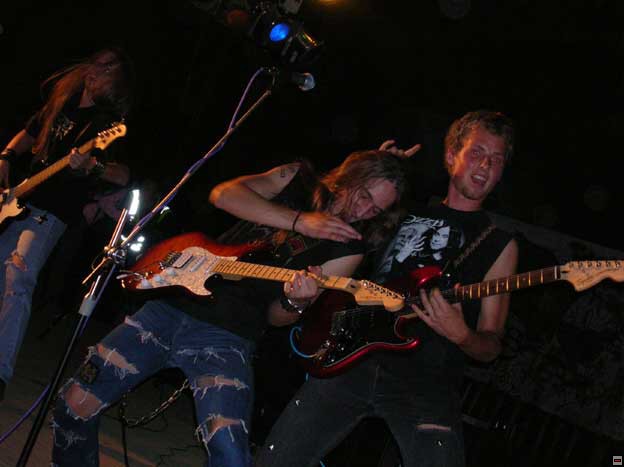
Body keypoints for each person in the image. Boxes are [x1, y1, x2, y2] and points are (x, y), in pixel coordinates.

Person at [50, 149, 408, 466]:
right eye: (364, 196)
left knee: (230, 455)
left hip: (228, 336)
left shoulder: (349, 249)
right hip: (171, 306)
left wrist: (295, 301)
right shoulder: (297, 177)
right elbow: (223, 195)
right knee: (73, 405)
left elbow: (277, 318)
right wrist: (300, 221)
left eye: (375, 210)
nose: (363, 211)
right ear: (350, 176)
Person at [255, 110, 519, 467]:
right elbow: (341, 204)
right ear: (450, 156)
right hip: (351, 359)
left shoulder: (498, 243)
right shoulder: (398, 213)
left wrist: (463, 336)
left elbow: (491, 345)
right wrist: (376, 165)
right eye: (477, 152)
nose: (485, 164)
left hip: (428, 383)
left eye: (496, 159)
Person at [0, 47, 134, 401]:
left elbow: (122, 175)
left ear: (116, 80)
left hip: (50, 213)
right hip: (17, 199)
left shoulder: (107, 123)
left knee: (18, 279)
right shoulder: (63, 103)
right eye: (96, 62)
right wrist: (6, 157)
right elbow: (28, 133)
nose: (96, 69)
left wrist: (92, 166)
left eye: (107, 67)